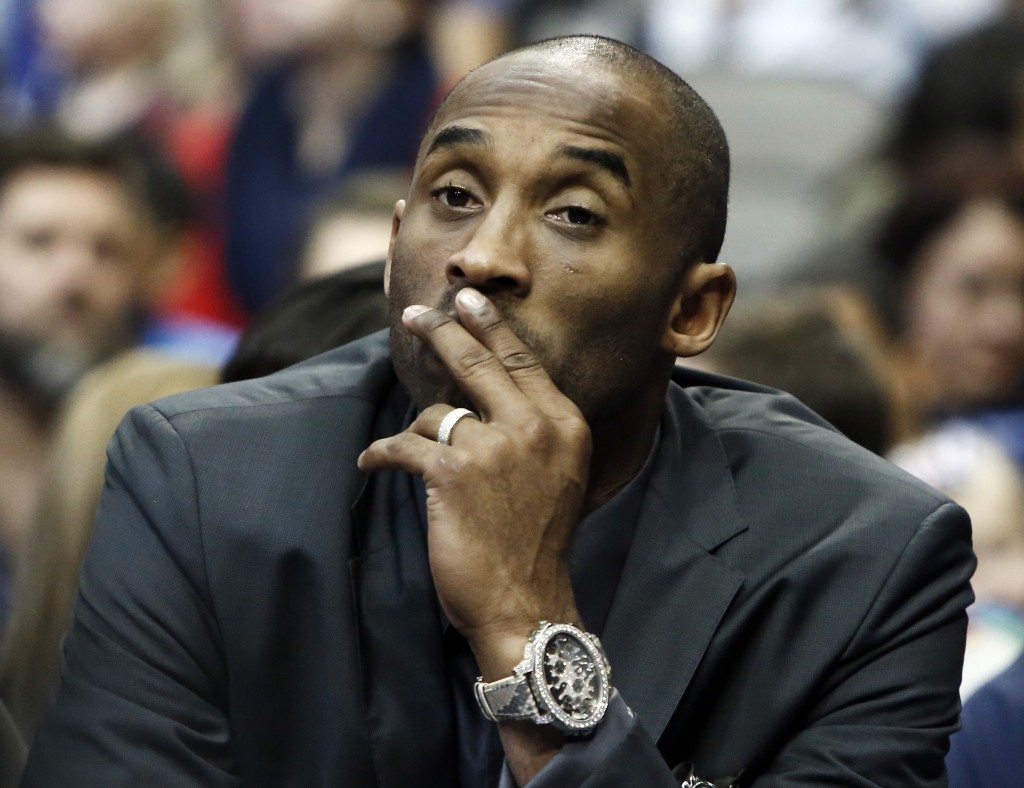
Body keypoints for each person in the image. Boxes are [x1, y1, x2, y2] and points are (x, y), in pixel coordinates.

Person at [22, 36, 973, 786]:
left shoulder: (865, 555)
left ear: (692, 310)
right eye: (454, 195)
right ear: (397, 249)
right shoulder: (201, 475)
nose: (481, 255)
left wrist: (526, 627)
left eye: (574, 214)